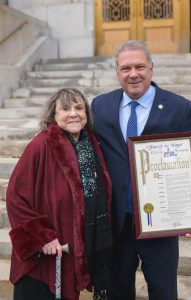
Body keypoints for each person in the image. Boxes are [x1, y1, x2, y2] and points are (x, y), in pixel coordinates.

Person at [91, 40, 191, 300]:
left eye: (140, 66)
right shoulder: (100, 106)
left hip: (160, 222)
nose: (133, 74)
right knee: (117, 291)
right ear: (117, 72)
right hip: (116, 222)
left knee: (164, 291)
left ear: (152, 68)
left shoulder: (179, 107)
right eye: (126, 68)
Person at [6, 88, 113, 300]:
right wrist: (42, 237)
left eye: (79, 108)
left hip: (75, 248)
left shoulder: (90, 144)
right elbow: (15, 197)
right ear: (53, 115)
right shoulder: (41, 144)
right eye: (65, 108)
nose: (73, 113)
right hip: (46, 255)